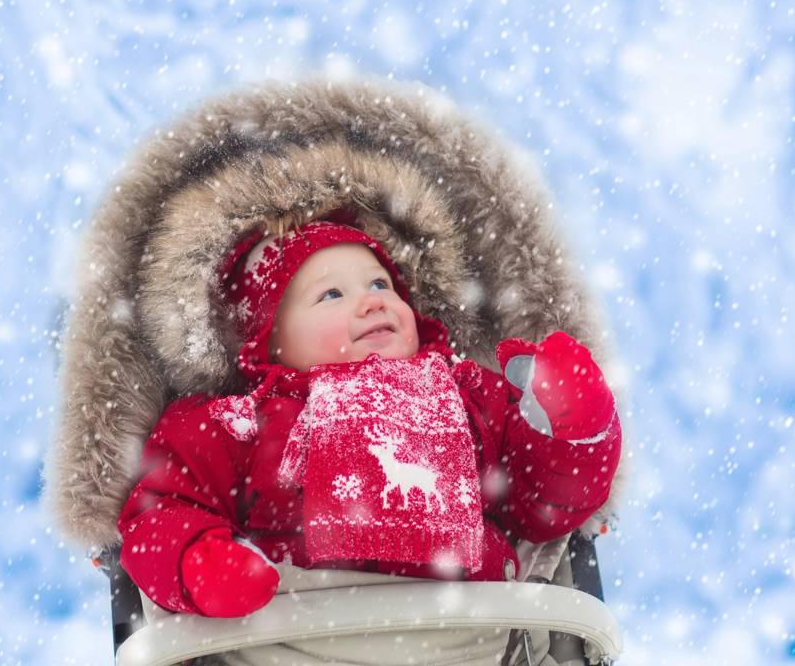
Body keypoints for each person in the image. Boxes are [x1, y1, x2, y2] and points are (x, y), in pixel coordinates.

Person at [118, 220, 621, 618]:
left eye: (380, 282)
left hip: (470, 636)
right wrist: (198, 564)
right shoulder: (237, 422)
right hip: (294, 638)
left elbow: (543, 505)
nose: (373, 299)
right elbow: (161, 511)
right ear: (267, 341)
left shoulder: (467, 394)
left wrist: (574, 427)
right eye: (331, 295)